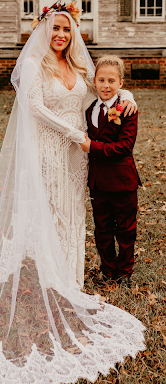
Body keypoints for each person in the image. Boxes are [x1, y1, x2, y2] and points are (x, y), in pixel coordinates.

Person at [0, 3, 145, 383]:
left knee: (75, 208)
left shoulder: (78, 65)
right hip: (51, 147)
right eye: (56, 28)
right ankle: (54, 276)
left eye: (67, 29)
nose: (61, 35)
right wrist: (75, 134)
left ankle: (71, 275)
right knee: (53, 207)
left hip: (79, 157)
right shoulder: (33, 65)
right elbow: (36, 107)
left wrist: (128, 97)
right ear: (43, 28)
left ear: (74, 32)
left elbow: (103, 90)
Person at [81, 55, 141, 287]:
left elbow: (125, 146)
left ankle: (124, 271)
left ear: (121, 83)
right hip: (97, 182)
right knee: (102, 229)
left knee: (125, 229)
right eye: (101, 80)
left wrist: (92, 147)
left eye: (111, 81)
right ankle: (108, 269)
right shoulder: (89, 108)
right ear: (94, 81)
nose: (106, 85)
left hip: (122, 181)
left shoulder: (126, 109)